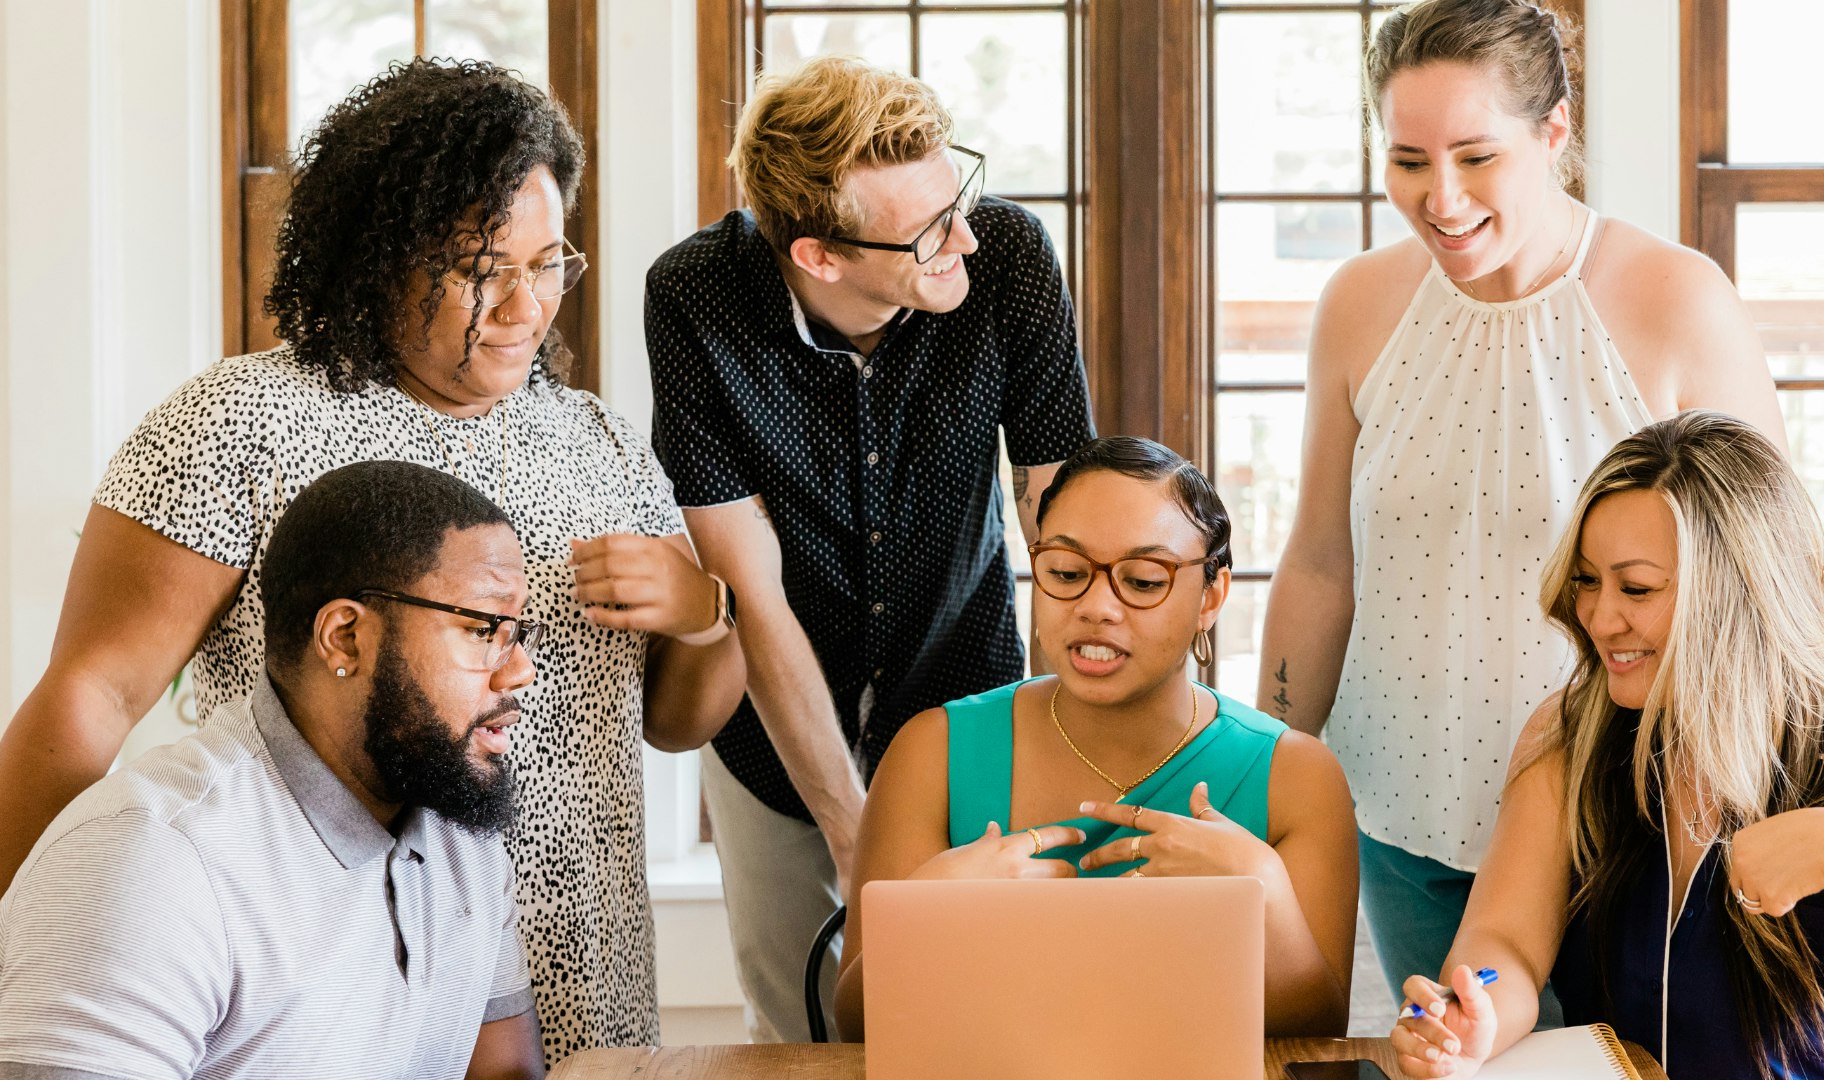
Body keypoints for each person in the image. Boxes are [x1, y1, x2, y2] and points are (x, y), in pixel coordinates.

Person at [0, 60, 744, 1059]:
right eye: (486, 270)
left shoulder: (600, 443)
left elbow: (677, 721)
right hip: (338, 972)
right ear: (382, 257)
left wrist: (704, 612)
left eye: (550, 262)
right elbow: (91, 694)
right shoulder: (239, 422)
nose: (529, 307)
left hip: (581, 967)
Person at [1254, 0, 1788, 1010]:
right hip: (1403, 820)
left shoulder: (1676, 297)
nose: (1440, 198)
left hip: (1625, 821)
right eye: (1408, 161)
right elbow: (1322, 559)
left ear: (1553, 132)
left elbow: (1768, 574)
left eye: (1474, 156)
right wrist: (1268, 769)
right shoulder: (1359, 304)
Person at [645, 56, 1094, 1042]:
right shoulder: (697, 298)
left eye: (957, 199)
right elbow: (747, 587)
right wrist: (855, 839)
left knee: (978, 1021)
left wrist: (1079, 763)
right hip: (771, 729)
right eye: (928, 231)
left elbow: (1066, 533)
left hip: (963, 693)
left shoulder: (1009, 257)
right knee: (803, 1027)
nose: (963, 238)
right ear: (819, 255)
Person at [1391, 412, 1824, 1079]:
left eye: (1635, 587)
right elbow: (1508, 944)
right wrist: (1474, 1015)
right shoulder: (1569, 736)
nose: (1599, 617)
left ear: (1739, 591)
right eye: (1588, 581)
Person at [0, 461, 549, 1079]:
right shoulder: (151, 859)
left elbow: (506, 1074)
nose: (519, 669)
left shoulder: (462, 839)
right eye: (481, 629)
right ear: (345, 637)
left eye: (517, 630)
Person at [833, 436, 1358, 1040]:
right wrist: (928, 918)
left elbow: (1318, 1036)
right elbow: (856, 1027)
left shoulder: (1298, 777)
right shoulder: (933, 752)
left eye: (1141, 580)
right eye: (1066, 572)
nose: (1096, 606)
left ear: (1211, 596)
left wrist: (1262, 890)